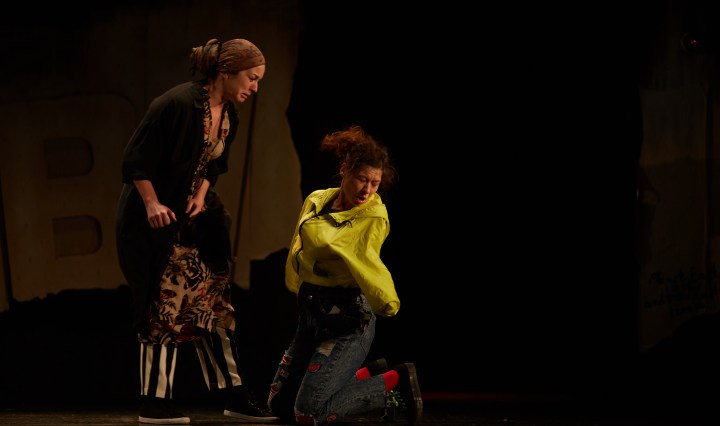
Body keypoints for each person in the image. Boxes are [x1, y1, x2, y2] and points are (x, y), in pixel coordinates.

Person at [115, 37, 278, 425]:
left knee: (213, 305)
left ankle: (233, 395)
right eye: (252, 78)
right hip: (154, 224)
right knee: (164, 306)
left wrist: (202, 197)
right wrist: (153, 204)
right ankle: (154, 402)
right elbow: (135, 160)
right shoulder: (175, 104)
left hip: (195, 225)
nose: (255, 87)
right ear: (228, 72)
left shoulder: (230, 114)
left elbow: (213, 165)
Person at [266, 125, 423, 425]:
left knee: (307, 413)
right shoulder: (317, 199)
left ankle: (393, 384)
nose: (368, 190)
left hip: (349, 320)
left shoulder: (373, 216)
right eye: (362, 179)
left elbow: (358, 257)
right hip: (312, 311)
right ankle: (366, 374)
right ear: (344, 171)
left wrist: (387, 302)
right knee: (278, 403)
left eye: (375, 183)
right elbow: (299, 245)